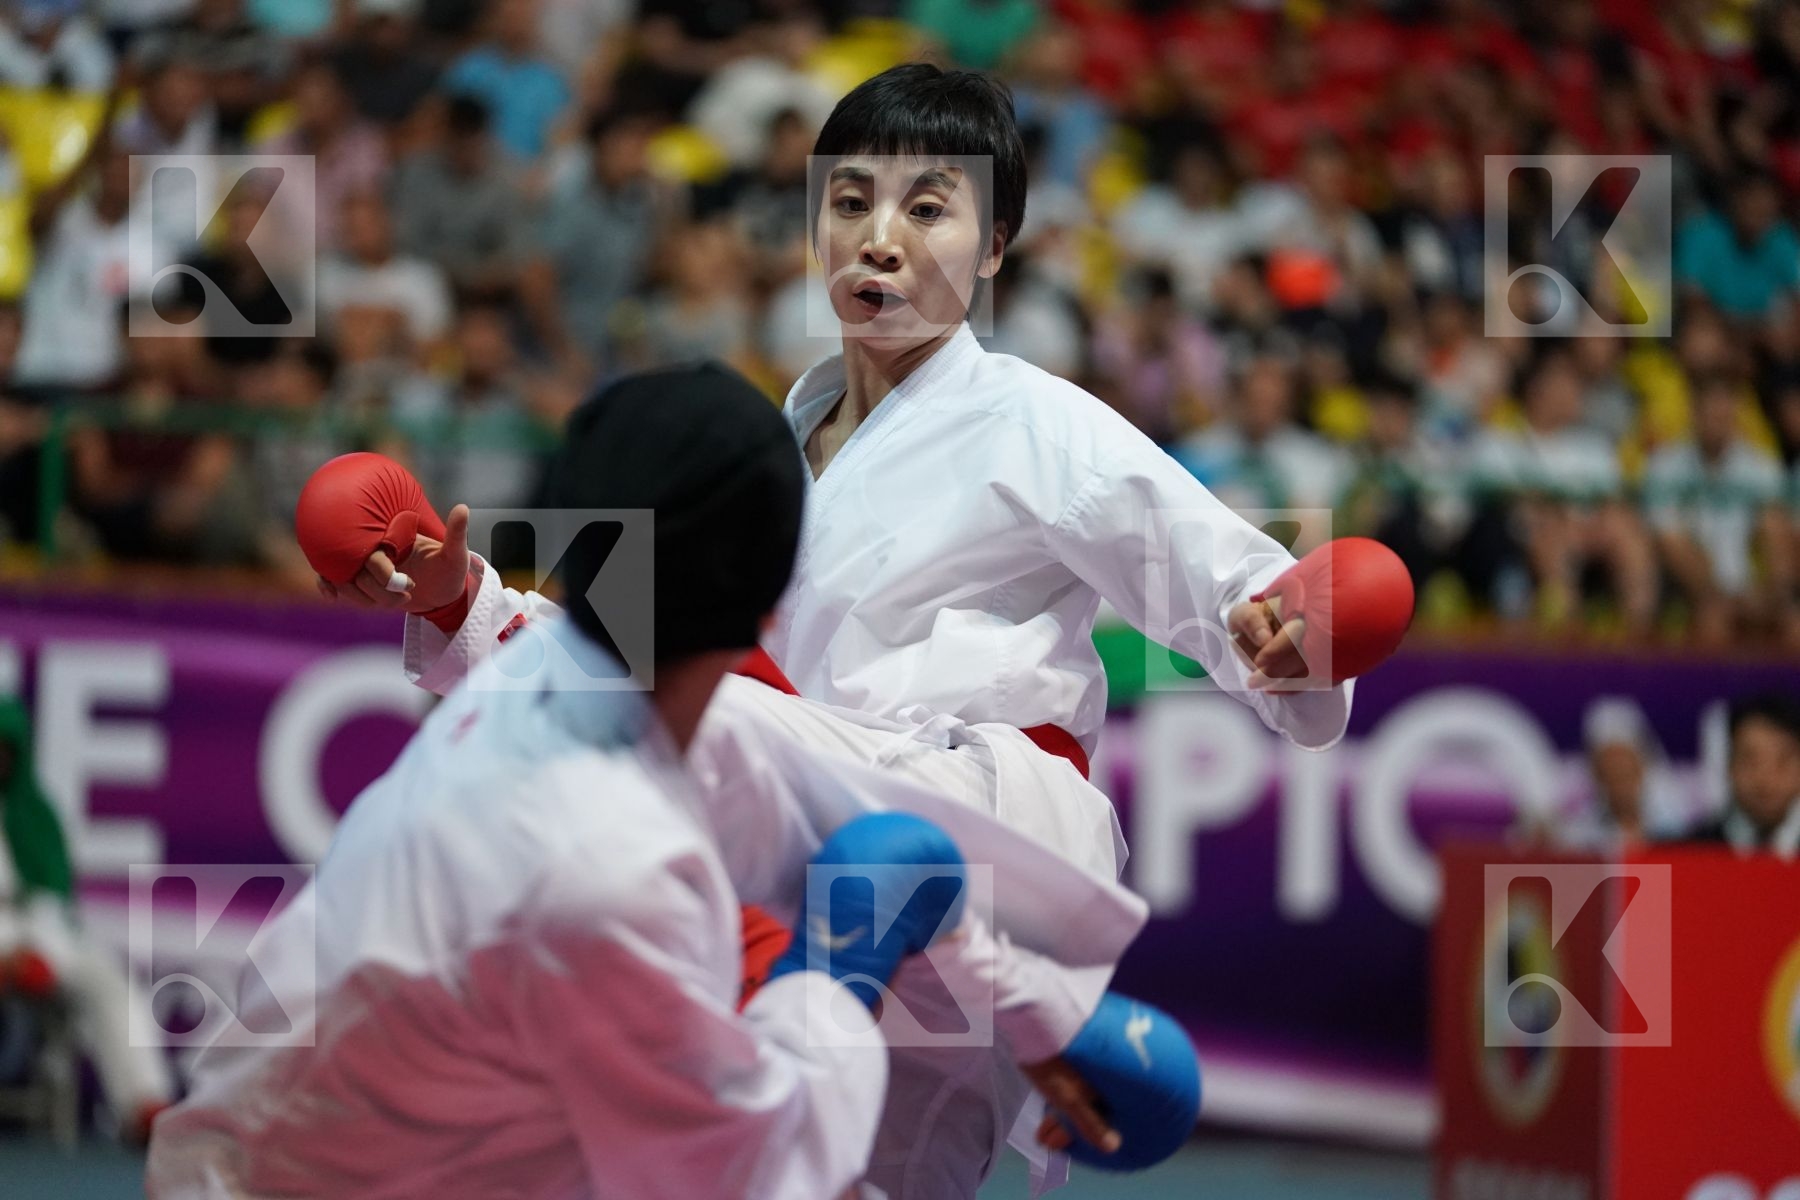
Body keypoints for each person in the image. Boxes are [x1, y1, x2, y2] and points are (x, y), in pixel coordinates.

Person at [331, 64, 1367, 1196]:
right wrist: (456, 600)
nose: (879, 238)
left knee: (674, 732)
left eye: (927, 208)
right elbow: (645, 650)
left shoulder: (1039, 423)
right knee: (812, 1166)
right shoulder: (773, 439)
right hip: (813, 849)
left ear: (994, 248)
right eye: (851, 200)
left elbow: (1247, 589)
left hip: (976, 823)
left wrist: (1288, 635)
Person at [146, 366, 1021, 1198]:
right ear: (770, 609)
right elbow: (751, 1169)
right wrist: (832, 977)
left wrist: (451, 599)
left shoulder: (528, 695)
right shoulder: (619, 866)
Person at [0, 697, 173, 1144]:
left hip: (36, 936)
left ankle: (143, 1104)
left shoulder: (35, 815)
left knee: (108, 981)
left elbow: (51, 901)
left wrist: (38, 953)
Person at [1686, 693, 1800, 859]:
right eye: (1750, 760)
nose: (1764, 779)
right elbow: (1651, 874)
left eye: (1782, 761)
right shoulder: (1692, 849)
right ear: (1729, 766)